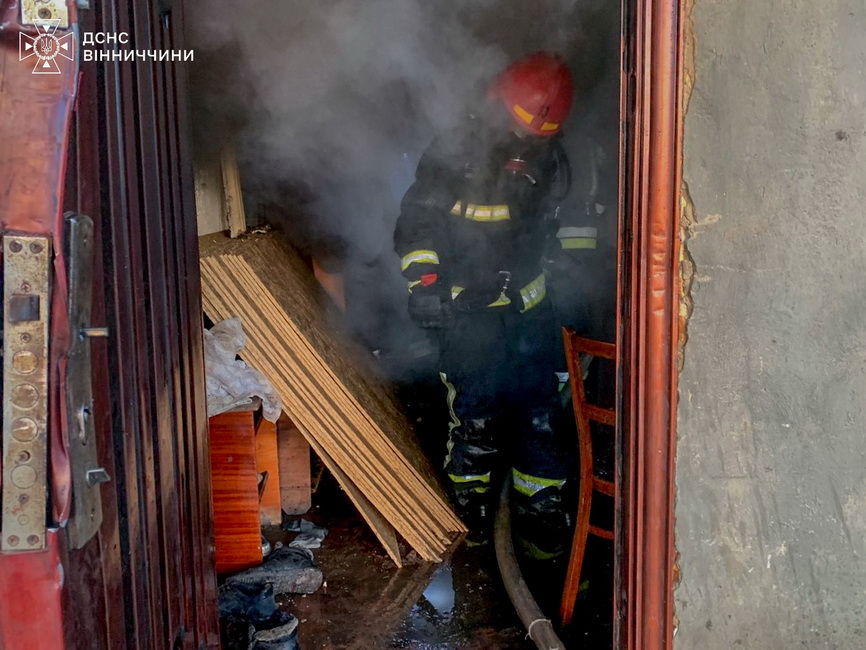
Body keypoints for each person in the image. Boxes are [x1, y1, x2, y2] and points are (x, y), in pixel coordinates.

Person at [394, 52, 579, 559]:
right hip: (469, 311)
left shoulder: (553, 162)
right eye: (521, 132)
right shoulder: (454, 151)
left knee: (541, 411)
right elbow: (418, 220)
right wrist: (426, 282)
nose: (526, 145)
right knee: (476, 411)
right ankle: (468, 508)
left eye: (536, 138)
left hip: (529, 312)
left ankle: (541, 507)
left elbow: (553, 234)